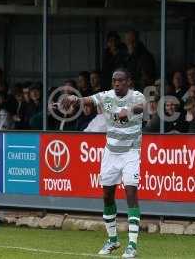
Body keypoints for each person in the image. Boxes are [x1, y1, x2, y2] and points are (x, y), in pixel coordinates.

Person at [62, 68, 145, 258]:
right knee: (107, 195)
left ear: (129, 82)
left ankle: (132, 245)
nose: (117, 83)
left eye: (121, 81)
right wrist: (76, 99)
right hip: (111, 153)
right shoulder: (106, 96)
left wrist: (129, 110)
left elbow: (142, 107)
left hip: (131, 152)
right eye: (114, 80)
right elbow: (88, 100)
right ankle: (113, 239)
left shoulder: (137, 96)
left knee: (131, 192)